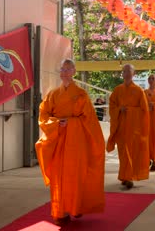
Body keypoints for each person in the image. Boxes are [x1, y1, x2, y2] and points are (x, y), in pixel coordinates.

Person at [35, 59, 105, 226]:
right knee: (59, 176)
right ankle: (60, 211)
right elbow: (43, 115)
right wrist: (56, 123)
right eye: (62, 69)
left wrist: (71, 123)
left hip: (76, 140)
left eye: (68, 69)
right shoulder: (52, 94)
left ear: (74, 71)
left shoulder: (81, 94)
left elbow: (88, 119)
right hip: (58, 139)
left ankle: (75, 206)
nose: (65, 72)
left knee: (75, 175)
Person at [107, 64, 150, 189]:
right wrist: (119, 109)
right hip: (121, 126)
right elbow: (112, 106)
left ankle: (129, 177)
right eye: (124, 71)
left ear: (133, 74)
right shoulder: (117, 90)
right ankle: (125, 175)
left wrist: (130, 111)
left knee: (132, 152)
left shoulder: (138, 91)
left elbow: (144, 110)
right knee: (123, 153)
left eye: (128, 71)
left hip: (134, 128)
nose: (126, 73)